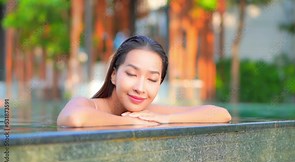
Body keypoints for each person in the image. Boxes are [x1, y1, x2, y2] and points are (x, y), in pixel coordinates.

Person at [57, 35, 231, 127]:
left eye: (152, 79)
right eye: (132, 74)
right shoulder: (88, 105)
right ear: (114, 75)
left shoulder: (150, 113)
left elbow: (221, 114)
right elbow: (73, 118)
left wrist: (166, 119)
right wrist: (130, 122)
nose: (140, 88)